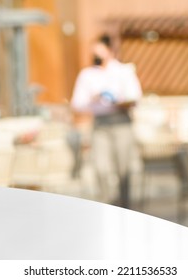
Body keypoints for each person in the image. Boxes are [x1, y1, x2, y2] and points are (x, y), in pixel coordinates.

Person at [71, 34, 142, 208]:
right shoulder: (87, 74)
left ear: (110, 50)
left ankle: (125, 207)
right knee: (100, 167)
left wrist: (119, 102)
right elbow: (77, 103)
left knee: (123, 168)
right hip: (100, 123)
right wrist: (93, 99)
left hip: (121, 122)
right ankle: (106, 205)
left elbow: (135, 98)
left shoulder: (124, 71)